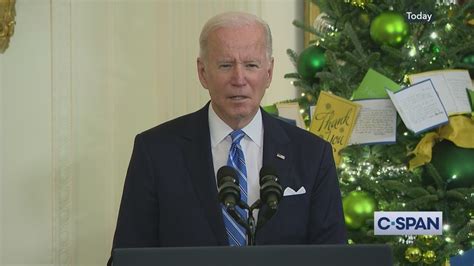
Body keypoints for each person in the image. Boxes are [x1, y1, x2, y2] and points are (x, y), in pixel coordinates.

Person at [108, 11, 347, 265]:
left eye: (251, 65)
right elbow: (129, 257)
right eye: (225, 65)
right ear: (202, 72)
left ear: (268, 72)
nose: (239, 79)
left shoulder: (312, 153)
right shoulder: (155, 151)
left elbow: (333, 255)